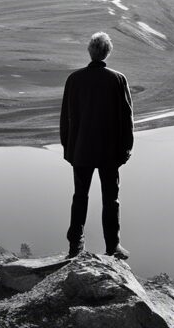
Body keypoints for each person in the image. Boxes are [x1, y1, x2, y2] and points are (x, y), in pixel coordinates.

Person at [60, 31, 133, 259]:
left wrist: (69, 149)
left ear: (90, 52)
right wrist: (126, 150)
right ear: (107, 52)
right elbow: (126, 119)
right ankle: (113, 246)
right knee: (111, 199)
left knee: (79, 197)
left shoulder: (74, 79)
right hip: (109, 153)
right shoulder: (117, 79)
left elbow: (65, 118)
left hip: (80, 151)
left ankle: (75, 246)